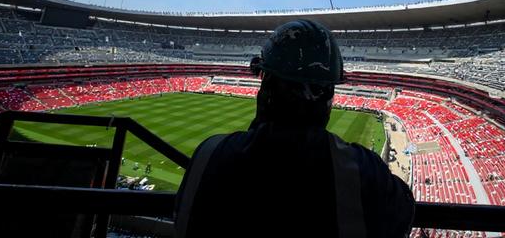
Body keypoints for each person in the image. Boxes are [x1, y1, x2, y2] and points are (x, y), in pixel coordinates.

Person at [175, 20, 414, 238]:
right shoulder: (362, 170)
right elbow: (403, 212)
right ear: (327, 97)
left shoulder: (208, 154)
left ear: (265, 86)